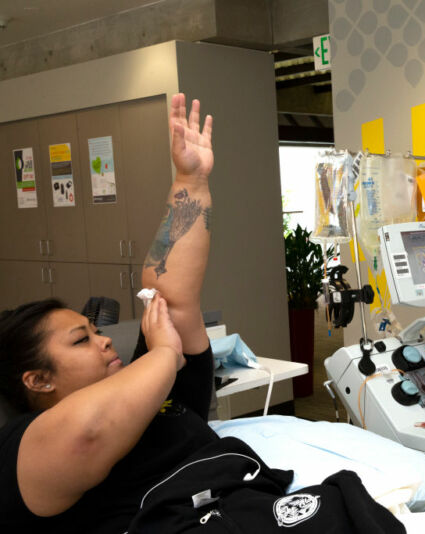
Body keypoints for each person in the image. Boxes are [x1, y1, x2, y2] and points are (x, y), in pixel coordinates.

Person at [0, 94, 403, 534]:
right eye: (81, 340)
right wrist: (164, 357)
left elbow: (168, 290)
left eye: (96, 330)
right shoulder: (23, 443)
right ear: (38, 380)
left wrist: (191, 182)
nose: (104, 340)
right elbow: (87, 431)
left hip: (250, 507)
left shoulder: (154, 388)